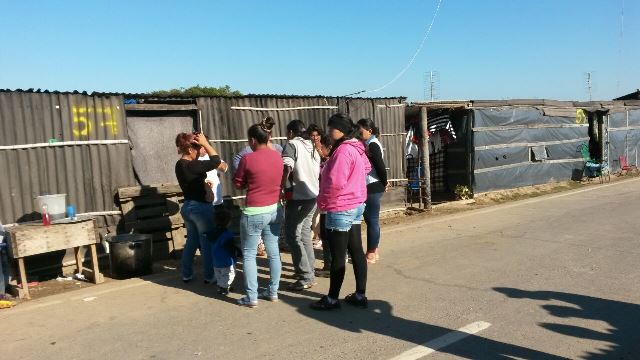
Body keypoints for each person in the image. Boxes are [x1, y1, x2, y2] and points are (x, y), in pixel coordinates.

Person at [310, 113, 371, 311]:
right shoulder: (357, 147)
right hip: (355, 204)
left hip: (341, 206)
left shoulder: (344, 150)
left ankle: (332, 299)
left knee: (338, 256)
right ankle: (360, 294)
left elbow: (335, 183)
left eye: (331, 128)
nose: (328, 132)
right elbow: (367, 168)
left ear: (341, 130)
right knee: (356, 251)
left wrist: (322, 204)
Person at [234, 117, 284, 307]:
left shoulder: (248, 158)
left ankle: (251, 296)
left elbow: (238, 183)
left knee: (248, 254)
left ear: (253, 140)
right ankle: (272, 291)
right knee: (273, 251)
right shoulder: (277, 156)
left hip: (254, 211)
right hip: (275, 209)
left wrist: (248, 182)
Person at [175, 132, 222, 284]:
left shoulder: (179, 164)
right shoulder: (192, 165)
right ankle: (209, 276)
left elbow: (192, 181)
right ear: (189, 150)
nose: (200, 151)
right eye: (197, 148)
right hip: (200, 208)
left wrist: (203, 185)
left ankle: (186, 274)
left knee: (192, 241)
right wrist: (206, 144)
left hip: (188, 206)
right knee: (206, 243)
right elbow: (216, 161)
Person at [281, 120, 321, 291]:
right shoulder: (311, 145)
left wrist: (282, 187)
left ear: (291, 132)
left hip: (298, 196)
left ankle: (306, 276)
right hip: (313, 195)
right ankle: (307, 269)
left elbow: (287, 166)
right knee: (304, 233)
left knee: (292, 235)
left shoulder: (292, 144)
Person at [357, 118, 388, 264]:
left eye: (361, 130)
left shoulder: (373, 145)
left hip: (373, 185)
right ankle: (374, 250)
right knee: (371, 220)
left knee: (372, 220)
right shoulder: (368, 143)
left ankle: (371, 253)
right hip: (372, 185)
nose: (359, 133)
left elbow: (380, 166)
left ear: (369, 130)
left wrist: (384, 182)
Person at [209, 209, 237, 296]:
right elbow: (230, 248)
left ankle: (223, 286)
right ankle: (224, 287)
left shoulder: (212, 233)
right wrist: (236, 253)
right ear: (228, 222)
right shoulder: (227, 234)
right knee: (230, 274)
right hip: (226, 260)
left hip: (216, 259)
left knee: (219, 275)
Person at [199, 136, 229, 210]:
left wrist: (215, 162)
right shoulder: (193, 159)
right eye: (203, 146)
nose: (206, 148)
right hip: (203, 203)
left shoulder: (210, 157)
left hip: (218, 201)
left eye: (207, 144)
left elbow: (224, 168)